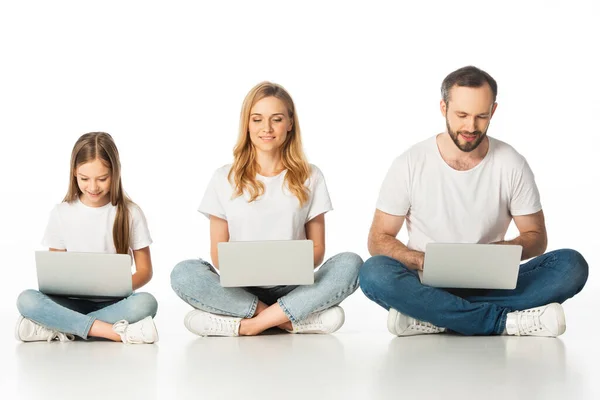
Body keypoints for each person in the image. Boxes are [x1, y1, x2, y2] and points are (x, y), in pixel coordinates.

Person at [359, 66, 588, 337]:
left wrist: (498, 253)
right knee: (374, 273)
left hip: (493, 280)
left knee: (571, 266)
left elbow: (536, 237)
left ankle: (435, 316)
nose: (471, 127)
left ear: (493, 111)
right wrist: (419, 260)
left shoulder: (511, 163)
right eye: (462, 115)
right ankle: (505, 322)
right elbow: (378, 238)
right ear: (443, 108)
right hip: (426, 282)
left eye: (481, 116)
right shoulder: (410, 163)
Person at [171, 81, 363, 337]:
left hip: (294, 288)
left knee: (351, 263)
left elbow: (317, 251)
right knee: (183, 273)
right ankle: (285, 319)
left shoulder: (311, 176)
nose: (267, 128)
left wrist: (288, 264)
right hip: (240, 290)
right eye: (257, 119)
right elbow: (218, 254)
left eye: (277, 119)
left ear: (290, 123)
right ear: (247, 124)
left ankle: (246, 325)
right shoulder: (223, 178)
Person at [16, 132, 159, 344]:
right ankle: (112, 332)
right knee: (26, 299)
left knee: (146, 303)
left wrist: (117, 286)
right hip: (70, 303)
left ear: (115, 173)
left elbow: (145, 271)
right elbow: (55, 274)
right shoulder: (61, 213)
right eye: (84, 179)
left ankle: (61, 327)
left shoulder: (130, 213)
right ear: (74, 173)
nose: (93, 187)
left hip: (114, 303)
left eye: (102, 179)